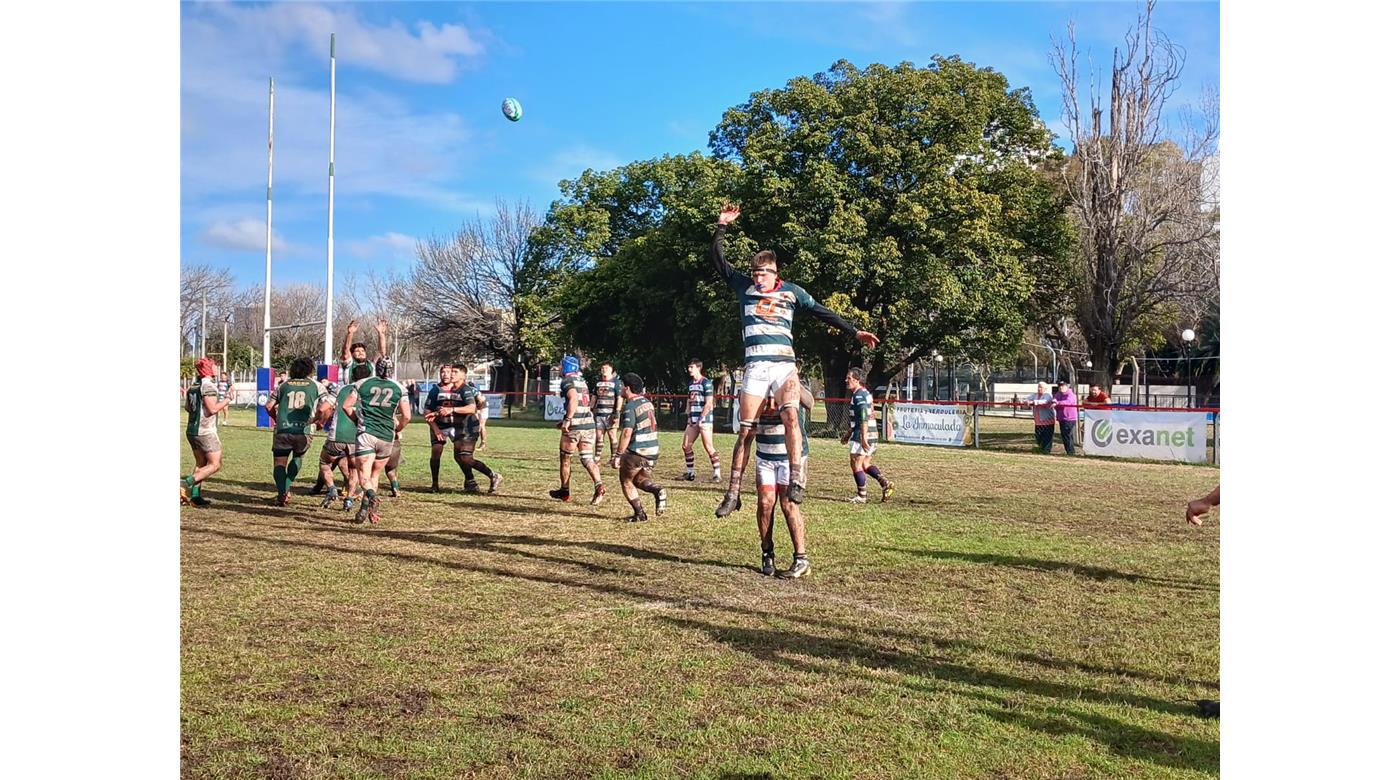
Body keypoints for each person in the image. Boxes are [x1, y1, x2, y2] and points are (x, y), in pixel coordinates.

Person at [710, 203, 879, 516]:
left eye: (765, 273)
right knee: (746, 430)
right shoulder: (744, 288)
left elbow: (822, 311)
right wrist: (721, 226)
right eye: (756, 272)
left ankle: (798, 479)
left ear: (776, 273)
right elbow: (719, 263)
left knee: (790, 415)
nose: (759, 277)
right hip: (756, 367)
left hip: (784, 365)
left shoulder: (792, 292)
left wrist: (854, 332)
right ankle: (733, 492)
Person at [754, 386, 814, 578]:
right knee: (765, 503)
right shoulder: (757, 380)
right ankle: (767, 552)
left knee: (788, 504)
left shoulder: (789, 382)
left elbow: (810, 402)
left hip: (790, 456)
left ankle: (801, 558)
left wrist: (793, 380)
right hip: (765, 453)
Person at [343, 357, 411, 524]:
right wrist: (398, 430)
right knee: (375, 475)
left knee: (363, 477)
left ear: (376, 368)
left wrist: (356, 420)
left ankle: (372, 496)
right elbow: (407, 416)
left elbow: (346, 406)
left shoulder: (361, 384)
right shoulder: (399, 388)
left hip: (367, 434)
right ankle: (366, 511)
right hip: (387, 436)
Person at [609, 373, 667, 522]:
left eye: (622, 385)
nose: (620, 388)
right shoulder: (648, 403)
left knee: (626, 480)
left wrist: (618, 455)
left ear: (627, 388)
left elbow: (627, 433)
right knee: (639, 480)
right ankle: (657, 490)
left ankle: (639, 513)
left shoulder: (630, 406)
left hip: (637, 451)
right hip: (653, 450)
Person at [550, 355, 606, 505]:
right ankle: (599, 485)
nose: (560, 368)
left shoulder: (567, 381)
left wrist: (567, 420)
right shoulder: (582, 381)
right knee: (587, 458)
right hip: (588, 425)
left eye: (561, 365)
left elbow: (574, 399)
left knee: (565, 458)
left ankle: (564, 491)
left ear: (566, 367)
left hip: (574, 427)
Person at [263, 357, 320, 506]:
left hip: (283, 429)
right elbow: (326, 406)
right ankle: (286, 487)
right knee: (298, 458)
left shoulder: (283, 385)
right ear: (309, 370)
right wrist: (319, 421)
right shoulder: (315, 385)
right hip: (303, 430)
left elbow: (269, 406)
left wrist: (276, 419)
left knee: (279, 463)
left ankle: (282, 493)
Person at [315, 367, 370, 510]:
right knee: (354, 469)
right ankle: (349, 499)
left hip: (336, 436)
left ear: (352, 376)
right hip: (357, 438)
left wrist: (319, 421)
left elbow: (323, 408)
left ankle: (332, 489)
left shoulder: (340, 389)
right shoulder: (371, 391)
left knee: (324, 462)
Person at [181, 357, 231, 506]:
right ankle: (184, 485)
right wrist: (228, 399)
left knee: (201, 463)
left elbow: (188, 408)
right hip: (205, 431)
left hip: (192, 429)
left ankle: (195, 497)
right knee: (215, 464)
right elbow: (212, 409)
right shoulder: (208, 386)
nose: (216, 368)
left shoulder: (193, 386)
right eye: (214, 365)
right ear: (208, 368)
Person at [840, 368, 892, 503]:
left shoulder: (858, 396)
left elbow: (863, 417)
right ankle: (885, 483)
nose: (846, 380)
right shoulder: (864, 393)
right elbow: (859, 418)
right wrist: (849, 433)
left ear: (857, 380)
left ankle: (861, 496)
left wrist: (863, 438)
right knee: (865, 464)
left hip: (864, 433)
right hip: (873, 432)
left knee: (855, 463)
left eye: (849, 378)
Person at [454, 367, 504, 494]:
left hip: (470, 427)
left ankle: (493, 475)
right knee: (458, 457)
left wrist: (475, 411)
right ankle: (471, 483)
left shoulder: (466, 389)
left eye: (455, 372)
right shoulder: (455, 389)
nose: (451, 374)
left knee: (465, 457)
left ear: (463, 376)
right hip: (460, 426)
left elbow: (477, 404)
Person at [679, 358, 722, 483]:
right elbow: (690, 400)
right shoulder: (691, 384)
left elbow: (709, 403)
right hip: (693, 419)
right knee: (686, 446)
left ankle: (717, 473)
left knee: (708, 447)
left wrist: (701, 418)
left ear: (699, 368)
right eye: (689, 367)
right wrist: (689, 415)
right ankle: (690, 473)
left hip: (704, 420)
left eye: (691, 367)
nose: (689, 370)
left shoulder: (706, 383)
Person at [423, 365, 459, 492]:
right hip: (440, 426)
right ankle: (435, 483)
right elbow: (427, 411)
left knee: (462, 455)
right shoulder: (435, 390)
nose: (445, 374)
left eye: (448, 372)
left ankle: (469, 480)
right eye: (442, 372)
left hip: (456, 426)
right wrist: (436, 429)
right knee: (436, 453)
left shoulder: (459, 389)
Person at [593, 362, 624, 464]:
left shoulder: (616, 382)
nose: (604, 369)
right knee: (599, 435)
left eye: (606, 368)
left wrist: (617, 412)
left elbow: (619, 398)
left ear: (611, 369)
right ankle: (597, 458)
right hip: (599, 414)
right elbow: (594, 397)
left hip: (611, 414)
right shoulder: (598, 383)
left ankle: (614, 458)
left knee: (612, 436)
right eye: (602, 368)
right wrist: (590, 408)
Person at [1026, 381, 1057, 454]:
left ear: (1045, 389)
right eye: (1038, 387)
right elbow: (1027, 399)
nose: (1039, 389)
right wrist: (1027, 401)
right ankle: (1041, 449)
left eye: (1041, 387)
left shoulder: (1048, 395)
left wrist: (1033, 402)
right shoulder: (1035, 395)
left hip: (1047, 421)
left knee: (1047, 437)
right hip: (1038, 421)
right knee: (1038, 437)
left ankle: (1046, 451)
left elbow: (1044, 401)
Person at [1053, 380, 1080, 455]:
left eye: (1063, 386)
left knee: (1067, 435)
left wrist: (1057, 403)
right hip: (1062, 418)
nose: (1061, 387)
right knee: (1065, 435)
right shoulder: (1058, 394)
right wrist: (1055, 401)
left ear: (1067, 386)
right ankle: (1069, 451)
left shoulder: (1071, 394)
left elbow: (1068, 402)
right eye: (1060, 386)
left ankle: (1070, 452)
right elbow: (1055, 398)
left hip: (1069, 418)